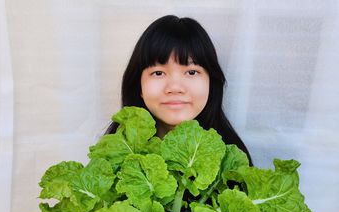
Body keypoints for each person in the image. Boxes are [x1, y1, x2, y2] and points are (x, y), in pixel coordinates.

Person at [105, 14, 253, 166]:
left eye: (191, 72)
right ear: (139, 86)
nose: (175, 88)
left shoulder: (233, 162)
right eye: (158, 73)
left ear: (212, 83)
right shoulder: (112, 156)